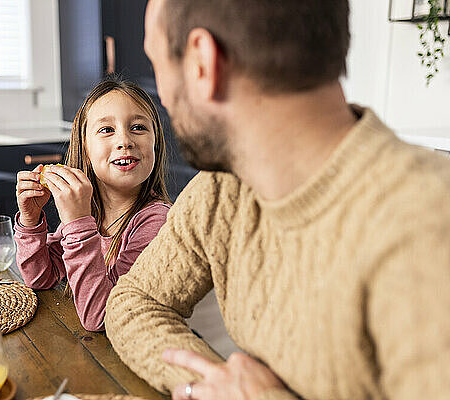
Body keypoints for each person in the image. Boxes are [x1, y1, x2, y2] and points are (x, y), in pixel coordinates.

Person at [105, 0, 450, 399]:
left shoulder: (427, 228)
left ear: (203, 62)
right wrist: (207, 387)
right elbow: (134, 301)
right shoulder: (224, 188)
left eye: (157, 61)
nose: (160, 93)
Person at [14, 77, 171, 332]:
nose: (125, 141)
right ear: (85, 148)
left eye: (139, 127)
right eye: (107, 130)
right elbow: (40, 278)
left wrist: (77, 223)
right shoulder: (91, 212)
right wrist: (31, 222)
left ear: (156, 142)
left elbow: (103, 317)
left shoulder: (156, 221)